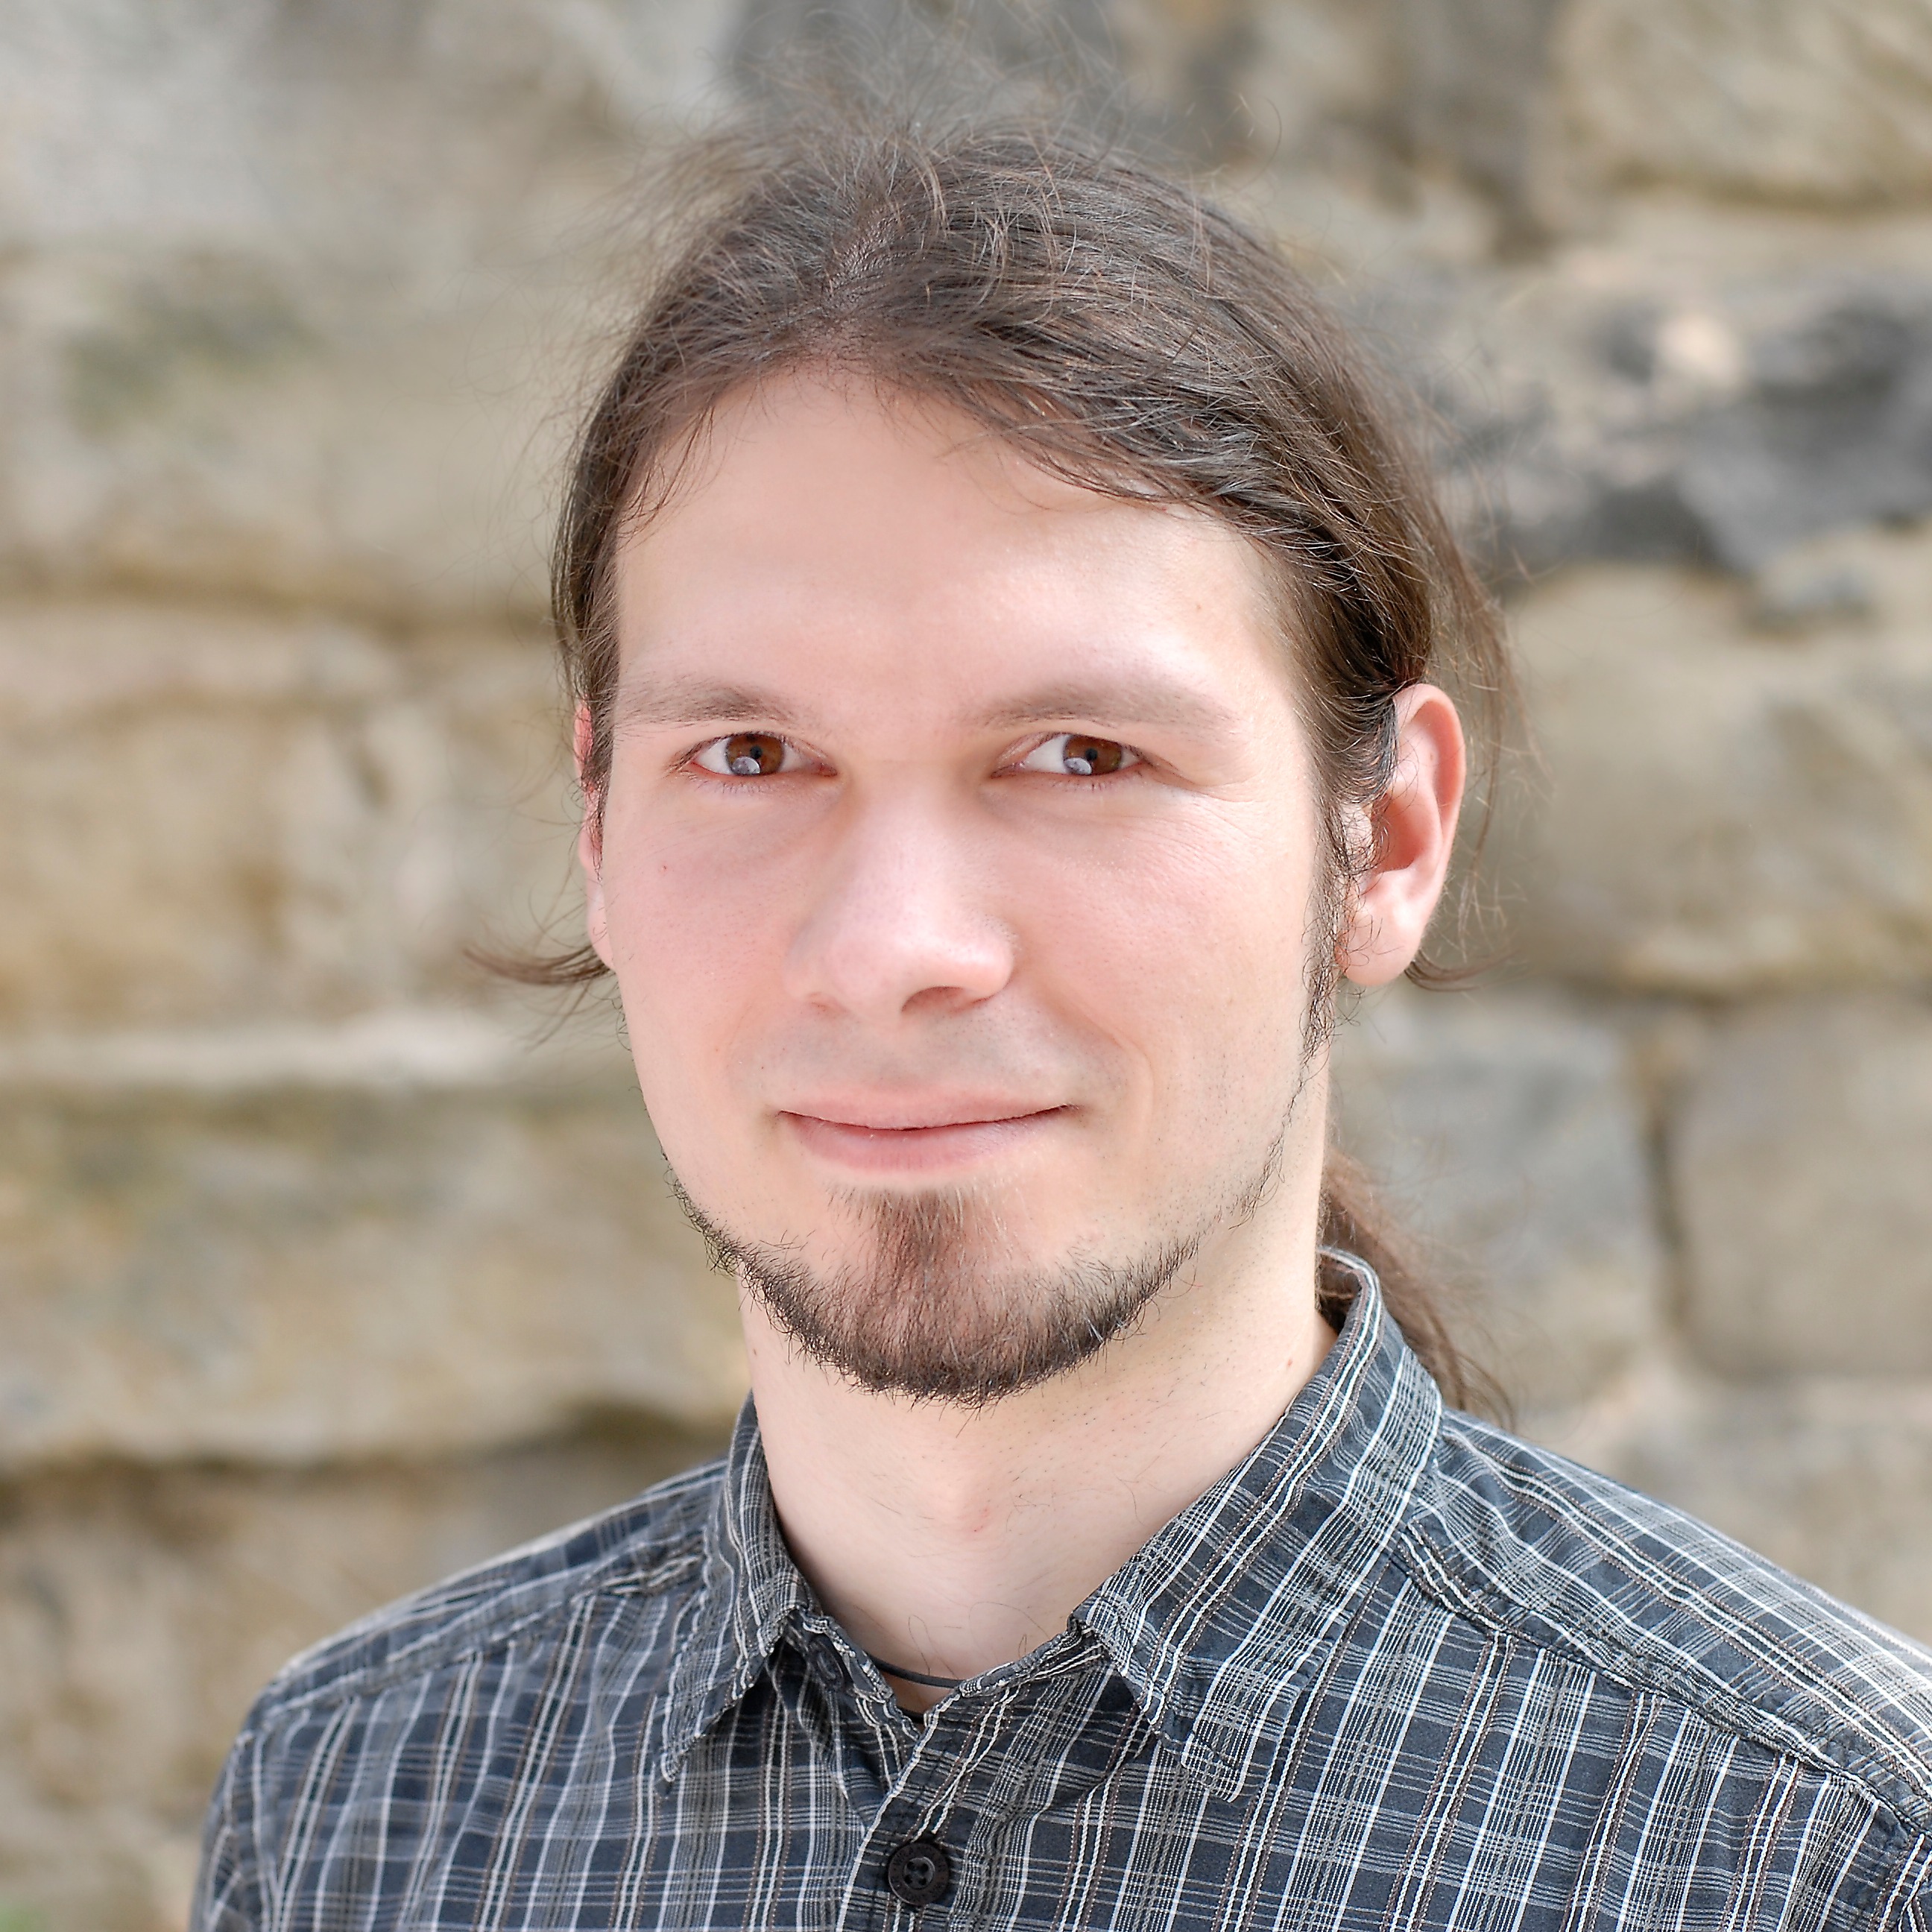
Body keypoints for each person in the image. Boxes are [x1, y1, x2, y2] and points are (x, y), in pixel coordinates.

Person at [194, 114, 1932, 1931]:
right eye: (754, 755)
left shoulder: (1832, 1860)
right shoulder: (358, 1801)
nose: (894, 950)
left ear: (1390, 839)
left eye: (1082, 757)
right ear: (598, 832)